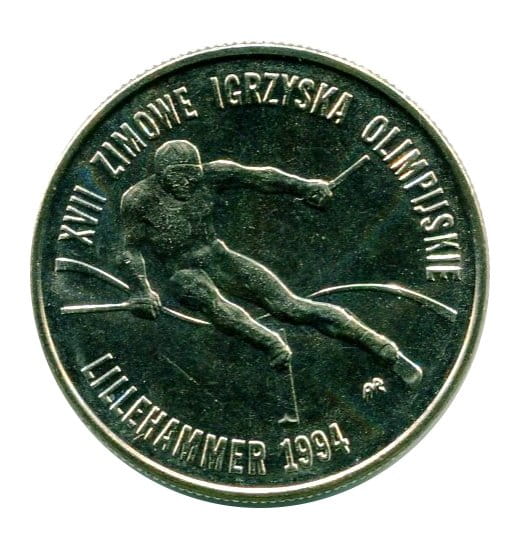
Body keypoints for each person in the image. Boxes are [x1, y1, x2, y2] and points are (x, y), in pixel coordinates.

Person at [120, 140, 422, 387]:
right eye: (178, 176)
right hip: (181, 270)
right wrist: (141, 289)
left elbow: (261, 177)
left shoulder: (213, 175)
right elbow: (129, 249)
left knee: (291, 307)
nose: (187, 182)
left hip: (217, 256)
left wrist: (304, 186)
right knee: (202, 294)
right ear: (160, 175)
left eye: (192, 175)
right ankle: (270, 343)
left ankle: (382, 348)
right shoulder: (139, 199)